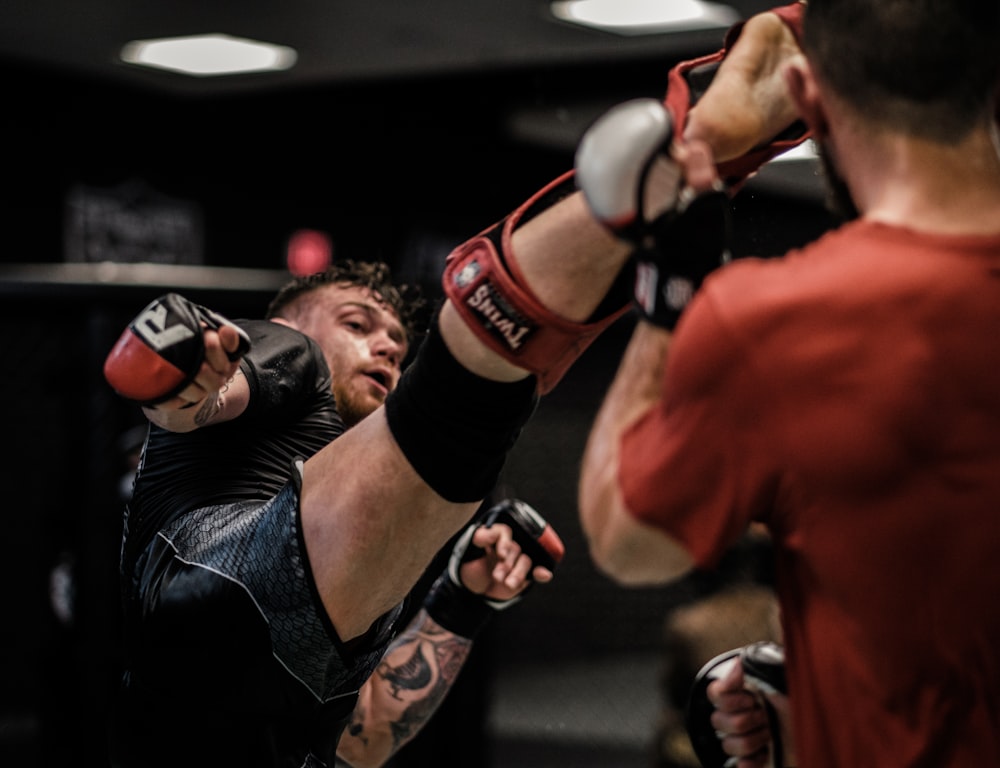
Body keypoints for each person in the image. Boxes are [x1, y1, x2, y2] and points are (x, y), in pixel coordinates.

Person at [576, 0, 1000, 766]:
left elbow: (628, 539)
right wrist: (824, 687)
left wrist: (672, 294)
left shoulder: (776, 322)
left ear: (806, 98)